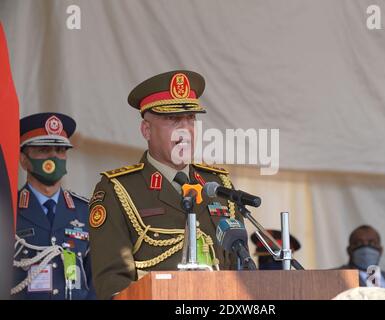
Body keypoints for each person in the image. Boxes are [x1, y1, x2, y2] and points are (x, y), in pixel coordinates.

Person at [89, 70, 245, 299]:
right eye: (172, 119)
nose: (185, 129)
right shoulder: (117, 190)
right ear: (146, 130)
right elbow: (112, 284)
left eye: (191, 118)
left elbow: (241, 270)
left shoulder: (219, 186)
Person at [12, 112, 96, 300]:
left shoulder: (85, 211)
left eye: (60, 150)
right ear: (24, 160)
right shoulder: (8, 211)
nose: (54, 157)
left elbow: (96, 279)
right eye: (44, 150)